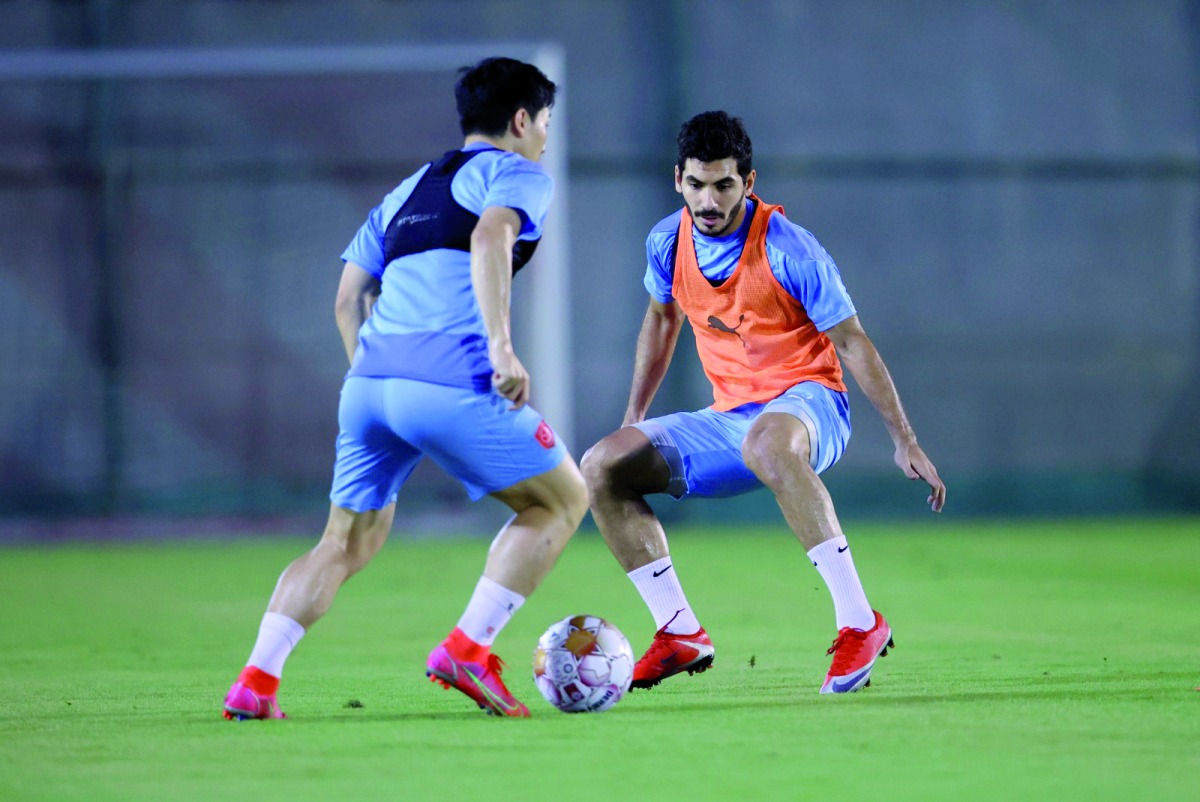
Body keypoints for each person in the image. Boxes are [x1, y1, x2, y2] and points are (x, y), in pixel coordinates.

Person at [222, 57, 587, 720]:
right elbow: (491, 236)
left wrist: (375, 380)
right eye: (545, 123)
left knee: (341, 544)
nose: (544, 137)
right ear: (521, 120)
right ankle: (467, 650)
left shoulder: (406, 191)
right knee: (562, 499)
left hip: (368, 385)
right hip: (450, 380)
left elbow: (346, 299)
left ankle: (256, 682)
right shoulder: (518, 174)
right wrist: (501, 349)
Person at [581, 111, 946, 695]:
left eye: (723, 185)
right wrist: (634, 420)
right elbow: (661, 319)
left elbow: (852, 341)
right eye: (696, 184)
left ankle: (860, 621)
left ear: (748, 182)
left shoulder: (789, 249)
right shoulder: (666, 241)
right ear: (678, 179)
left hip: (811, 403)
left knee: (768, 442)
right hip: (731, 417)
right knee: (602, 464)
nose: (709, 200)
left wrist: (905, 439)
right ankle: (678, 630)